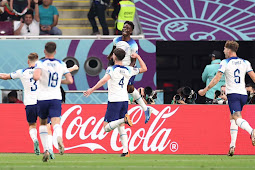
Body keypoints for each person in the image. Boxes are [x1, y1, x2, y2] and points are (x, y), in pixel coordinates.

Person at [84, 48, 147, 157]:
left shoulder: (111, 69)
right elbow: (144, 68)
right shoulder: (128, 69)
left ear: (114, 56)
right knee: (121, 127)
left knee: (106, 127)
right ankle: (126, 151)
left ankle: (124, 119)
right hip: (124, 101)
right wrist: (138, 57)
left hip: (114, 101)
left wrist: (92, 89)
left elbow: (104, 80)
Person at [199, 40, 255, 157]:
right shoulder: (245, 62)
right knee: (233, 118)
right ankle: (232, 146)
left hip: (233, 95)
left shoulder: (225, 62)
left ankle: (252, 131)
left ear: (229, 50)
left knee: (237, 117)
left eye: (224, 49)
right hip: (243, 95)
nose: (223, 51)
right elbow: (253, 77)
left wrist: (205, 90)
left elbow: (216, 79)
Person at [33, 42, 73, 162]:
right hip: (56, 97)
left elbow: (36, 76)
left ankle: (46, 149)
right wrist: (57, 81)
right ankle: (59, 137)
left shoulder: (40, 63)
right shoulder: (61, 63)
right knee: (56, 122)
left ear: (44, 51)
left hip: (42, 97)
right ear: (55, 51)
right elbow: (70, 80)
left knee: (43, 123)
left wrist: (43, 79)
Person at [107, 21, 152, 124]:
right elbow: (114, 50)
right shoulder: (116, 40)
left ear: (131, 31)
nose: (125, 29)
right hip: (119, 66)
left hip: (128, 68)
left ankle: (126, 113)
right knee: (130, 89)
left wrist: (127, 72)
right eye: (124, 27)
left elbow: (133, 61)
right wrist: (110, 57)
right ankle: (145, 108)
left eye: (127, 28)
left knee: (126, 88)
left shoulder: (133, 45)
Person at [0, 53, 40, 155]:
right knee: (46, 124)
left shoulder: (22, 72)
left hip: (30, 103)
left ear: (28, 61)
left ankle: (35, 139)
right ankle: (48, 149)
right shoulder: (42, 72)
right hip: (42, 102)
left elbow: (5, 76)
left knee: (32, 125)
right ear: (38, 60)